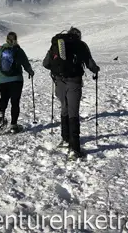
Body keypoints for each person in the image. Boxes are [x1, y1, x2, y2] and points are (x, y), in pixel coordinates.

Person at [43, 27, 100, 160]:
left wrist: (58, 69)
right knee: (73, 112)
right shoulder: (80, 45)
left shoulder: (57, 43)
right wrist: (96, 69)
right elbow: (90, 63)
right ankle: (75, 148)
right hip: (74, 81)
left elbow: (46, 63)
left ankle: (65, 139)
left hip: (59, 82)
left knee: (64, 109)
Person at [0, 32, 34, 133]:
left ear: (6, 39)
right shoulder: (19, 50)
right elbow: (26, 63)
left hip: (3, 80)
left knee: (4, 98)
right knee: (15, 102)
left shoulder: (1, 49)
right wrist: (30, 72)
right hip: (16, 80)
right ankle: (13, 125)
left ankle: (1, 115)